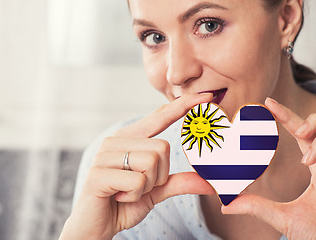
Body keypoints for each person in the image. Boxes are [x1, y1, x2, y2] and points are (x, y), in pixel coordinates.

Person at [59, 0, 316, 239]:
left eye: (209, 25)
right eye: (155, 37)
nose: (177, 73)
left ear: (286, 18)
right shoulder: (120, 167)